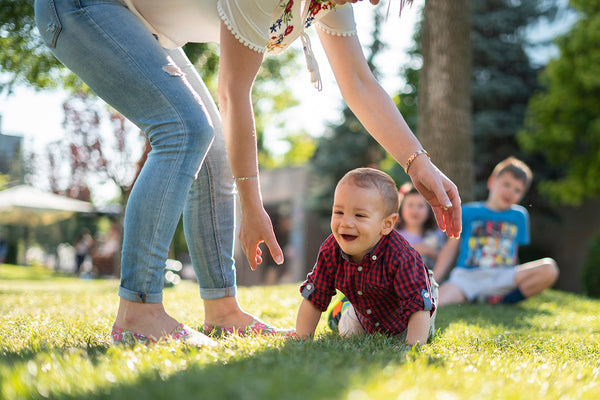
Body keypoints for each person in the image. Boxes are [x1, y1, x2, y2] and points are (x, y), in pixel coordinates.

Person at [34, 0, 460, 346]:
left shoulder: (333, 1)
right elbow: (233, 92)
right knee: (186, 127)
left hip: (145, 26)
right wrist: (252, 206)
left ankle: (222, 311)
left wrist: (417, 163)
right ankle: (139, 312)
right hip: (84, 7)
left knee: (213, 145)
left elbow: (359, 83)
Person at [295, 168, 437, 346]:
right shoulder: (331, 250)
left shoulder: (402, 256)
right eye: (339, 212)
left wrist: (413, 348)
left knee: (416, 334)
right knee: (349, 332)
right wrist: (301, 340)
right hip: (366, 313)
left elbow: (418, 306)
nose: (346, 222)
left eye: (359, 215)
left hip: (408, 314)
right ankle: (342, 311)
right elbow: (314, 296)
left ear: (386, 224)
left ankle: (344, 308)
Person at [433, 157, 559, 306]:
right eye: (506, 184)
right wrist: (434, 280)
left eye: (517, 190)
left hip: (502, 276)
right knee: (436, 301)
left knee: (549, 268)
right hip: (467, 278)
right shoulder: (468, 212)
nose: (510, 192)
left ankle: (502, 300)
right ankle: (479, 296)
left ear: (522, 196)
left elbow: (514, 253)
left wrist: (514, 277)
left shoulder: (519, 216)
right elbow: (450, 249)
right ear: (491, 182)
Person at [395, 183, 446, 269]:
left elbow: (446, 259)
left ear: (429, 210)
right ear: (401, 208)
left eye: (421, 206)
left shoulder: (437, 234)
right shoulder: (394, 234)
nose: (415, 210)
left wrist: (428, 251)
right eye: (410, 205)